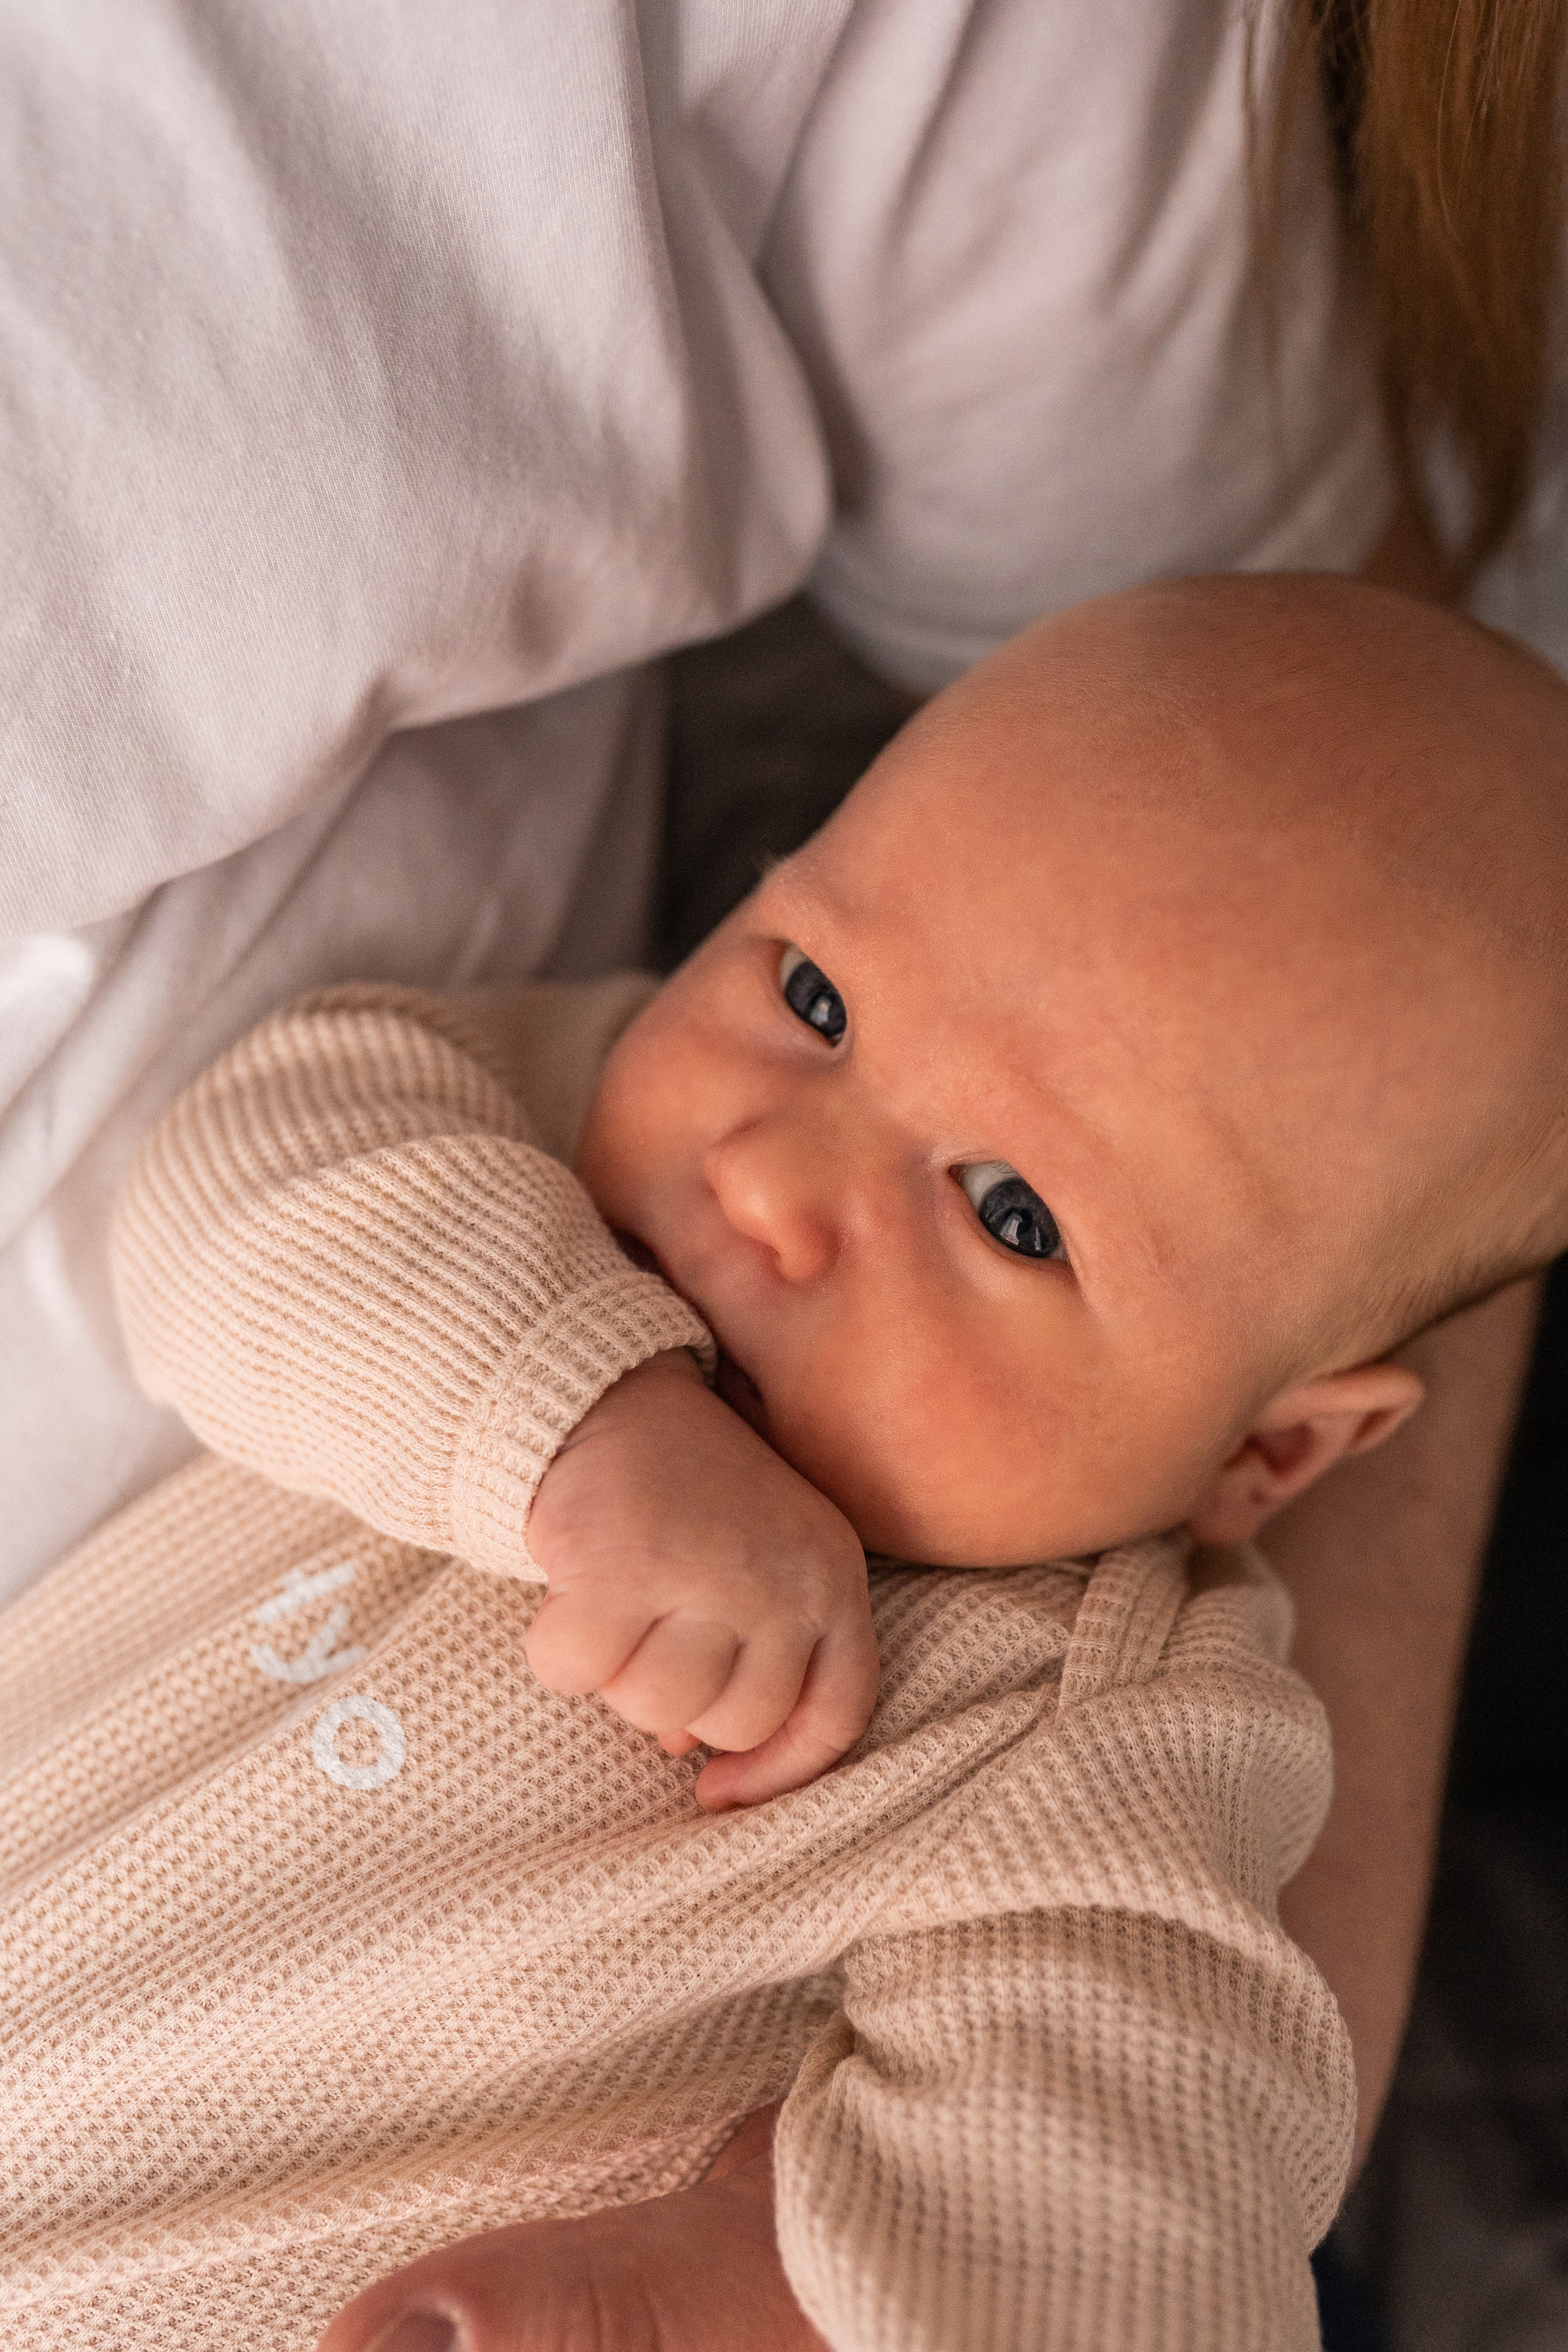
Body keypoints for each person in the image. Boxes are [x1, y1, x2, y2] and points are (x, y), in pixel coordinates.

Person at [5, 0, 1566, 2339]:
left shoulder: (1115, 1741)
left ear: (1278, 1446)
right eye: (814, 993)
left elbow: (1155, 2199)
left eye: (1011, 1212)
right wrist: (568, 1425)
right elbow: (236, 1197)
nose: (768, 1176)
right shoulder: (531, 1163)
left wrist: (776, 2287)